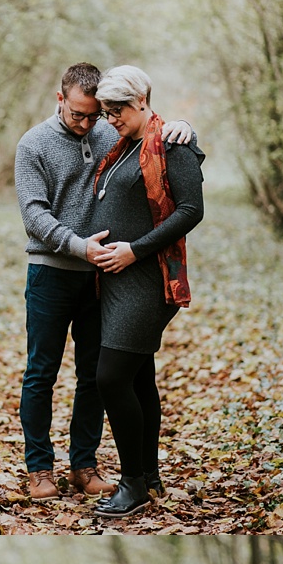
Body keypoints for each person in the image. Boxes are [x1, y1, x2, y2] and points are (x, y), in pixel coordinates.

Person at [14, 66, 198, 502]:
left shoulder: (108, 132)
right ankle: (39, 468)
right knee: (41, 373)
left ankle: (84, 464)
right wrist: (79, 247)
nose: (87, 123)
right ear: (59, 98)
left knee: (94, 377)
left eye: (94, 115)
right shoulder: (32, 145)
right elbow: (34, 215)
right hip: (52, 273)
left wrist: (183, 126)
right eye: (78, 113)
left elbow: (152, 137)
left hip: (101, 281)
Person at [85, 66, 204, 520]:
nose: (109, 119)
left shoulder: (172, 141)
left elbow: (192, 209)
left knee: (110, 378)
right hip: (114, 281)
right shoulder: (122, 145)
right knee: (138, 380)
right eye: (105, 112)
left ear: (141, 102)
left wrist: (134, 250)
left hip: (148, 279)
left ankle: (131, 483)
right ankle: (149, 475)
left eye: (116, 111)